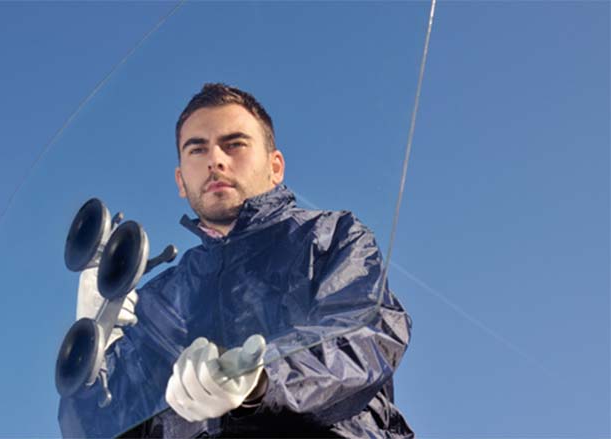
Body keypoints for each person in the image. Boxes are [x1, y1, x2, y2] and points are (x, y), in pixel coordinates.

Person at [58, 83, 414, 438]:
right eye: (197, 150)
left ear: (275, 166)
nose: (215, 160)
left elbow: (366, 334)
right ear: (181, 181)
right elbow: (101, 429)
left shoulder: (327, 236)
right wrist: (92, 366)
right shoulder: (160, 301)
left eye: (235, 144)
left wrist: (259, 379)